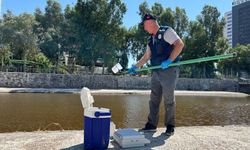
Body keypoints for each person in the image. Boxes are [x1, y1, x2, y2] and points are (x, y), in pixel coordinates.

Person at [128, 13, 184, 136]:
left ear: (150, 22)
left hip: (169, 71)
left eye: (144, 25)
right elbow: (146, 57)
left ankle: (170, 126)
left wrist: (169, 60)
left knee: (169, 99)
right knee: (154, 99)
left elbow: (179, 44)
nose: (144, 28)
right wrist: (135, 67)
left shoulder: (166, 31)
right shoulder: (150, 40)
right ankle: (151, 125)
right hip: (156, 72)